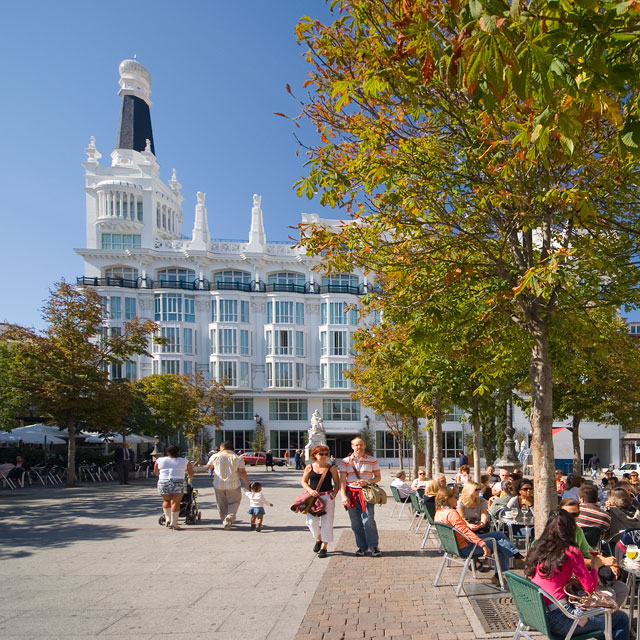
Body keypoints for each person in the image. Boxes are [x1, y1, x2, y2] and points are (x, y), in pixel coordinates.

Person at [525, 509, 629, 640]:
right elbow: (590, 587)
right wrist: (595, 566)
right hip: (563, 621)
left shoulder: (539, 547)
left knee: (606, 625)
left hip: (539, 615)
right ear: (571, 529)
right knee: (620, 618)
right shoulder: (571, 552)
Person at [435, 487, 522, 584]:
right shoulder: (451, 513)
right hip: (465, 548)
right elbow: (465, 531)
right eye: (455, 497)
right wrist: (482, 544)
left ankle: (515, 555)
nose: (457, 499)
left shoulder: (438, 513)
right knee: (499, 544)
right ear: (448, 499)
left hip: (451, 547)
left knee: (498, 535)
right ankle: (501, 573)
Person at [560, 498, 628, 606]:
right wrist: (603, 562)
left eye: (574, 514)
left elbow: (590, 552)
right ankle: (599, 620)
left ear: (579, 515)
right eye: (566, 514)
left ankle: (607, 620)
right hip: (571, 580)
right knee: (609, 595)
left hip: (586, 573)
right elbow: (572, 561)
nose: (570, 518)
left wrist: (607, 561)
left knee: (622, 589)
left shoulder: (577, 530)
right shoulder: (558, 533)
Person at [340, 436, 382, 557]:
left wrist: (368, 482)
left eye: (361, 444)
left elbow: (378, 477)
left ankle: (373, 545)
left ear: (364, 446)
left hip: (366, 493)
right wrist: (343, 496)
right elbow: (342, 480)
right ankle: (362, 547)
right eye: (356, 445)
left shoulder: (372, 460)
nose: (359, 447)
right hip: (351, 493)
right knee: (355, 522)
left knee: (369, 519)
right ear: (352, 446)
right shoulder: (345, 461)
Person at [301, 444, 340, 558]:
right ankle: (319, 539)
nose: (323, 456)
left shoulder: (331, 468)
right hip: (313, 497)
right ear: (314, 455)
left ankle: (324, 547)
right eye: (320, 454)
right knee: (311, 522)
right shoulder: (309, 467)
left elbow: (337, 483)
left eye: (325, 454)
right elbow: (304, 481)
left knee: (327, 522)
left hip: (327, 496)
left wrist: (334, 494)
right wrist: (310, 490)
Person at [206, 441, 250, 530]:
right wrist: (246, 484)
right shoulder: (237, 458)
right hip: (233, 483)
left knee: (221, 503)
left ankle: (224, 519)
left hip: (218, 484)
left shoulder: (215, 456)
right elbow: (242, 472)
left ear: (222, 447)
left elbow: (209, 466)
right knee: (235, 501)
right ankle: (230, 516)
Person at [154, 445, 194, 530]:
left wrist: (160, 476)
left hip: (163, 481)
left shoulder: (159, 460)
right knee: (176, 502)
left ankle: (168, 518)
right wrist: (190, 477)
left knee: (166, 500)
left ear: (167, 452)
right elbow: (191, 472)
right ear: (178, 452)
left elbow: (156, 471)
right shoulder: (184, 461)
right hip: (178, 481)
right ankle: (174, 523)